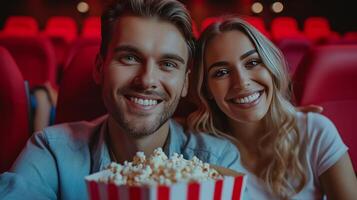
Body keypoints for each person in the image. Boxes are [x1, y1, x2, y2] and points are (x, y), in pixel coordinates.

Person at [0, 1, 240, 199]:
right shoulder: (51, 152)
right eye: (130, 58)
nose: (147, 80)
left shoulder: (218, 162)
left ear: (186, 83)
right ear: (99, 67)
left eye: (168, 64)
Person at [187, 17, 357, 199]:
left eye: (252, 63)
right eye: (221, 72)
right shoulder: (196, 151)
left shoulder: (315, 130)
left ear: (270, 67)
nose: (242, 82)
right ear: (206, 89)